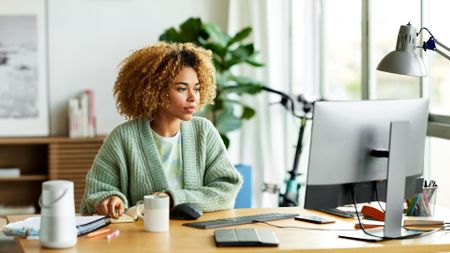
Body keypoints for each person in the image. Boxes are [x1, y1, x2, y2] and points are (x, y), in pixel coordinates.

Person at [80, 42, 243, 217]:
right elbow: (95, 195)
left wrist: (174, 199)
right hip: (142, 240)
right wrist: (110, 199)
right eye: (182, 88)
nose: (192, 97)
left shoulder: (204, 132)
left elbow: (227, 189)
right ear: (155, 90)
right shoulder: (123, 137)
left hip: (196, 237)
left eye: (196, 88)